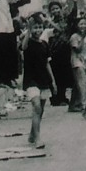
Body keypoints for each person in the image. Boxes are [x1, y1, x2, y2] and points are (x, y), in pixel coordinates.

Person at [20, 13, 54, 148]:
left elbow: (47, 64)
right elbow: (23, 47)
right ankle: (38, 138)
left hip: (43, 80)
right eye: (35, 28)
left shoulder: (45, 44)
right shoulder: (27, 42)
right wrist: (28, 29)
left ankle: (32, 134)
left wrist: (53, 82)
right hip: (31, 80)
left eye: (40, 27)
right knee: (36, 106)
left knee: (40, 110)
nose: (37, 30)